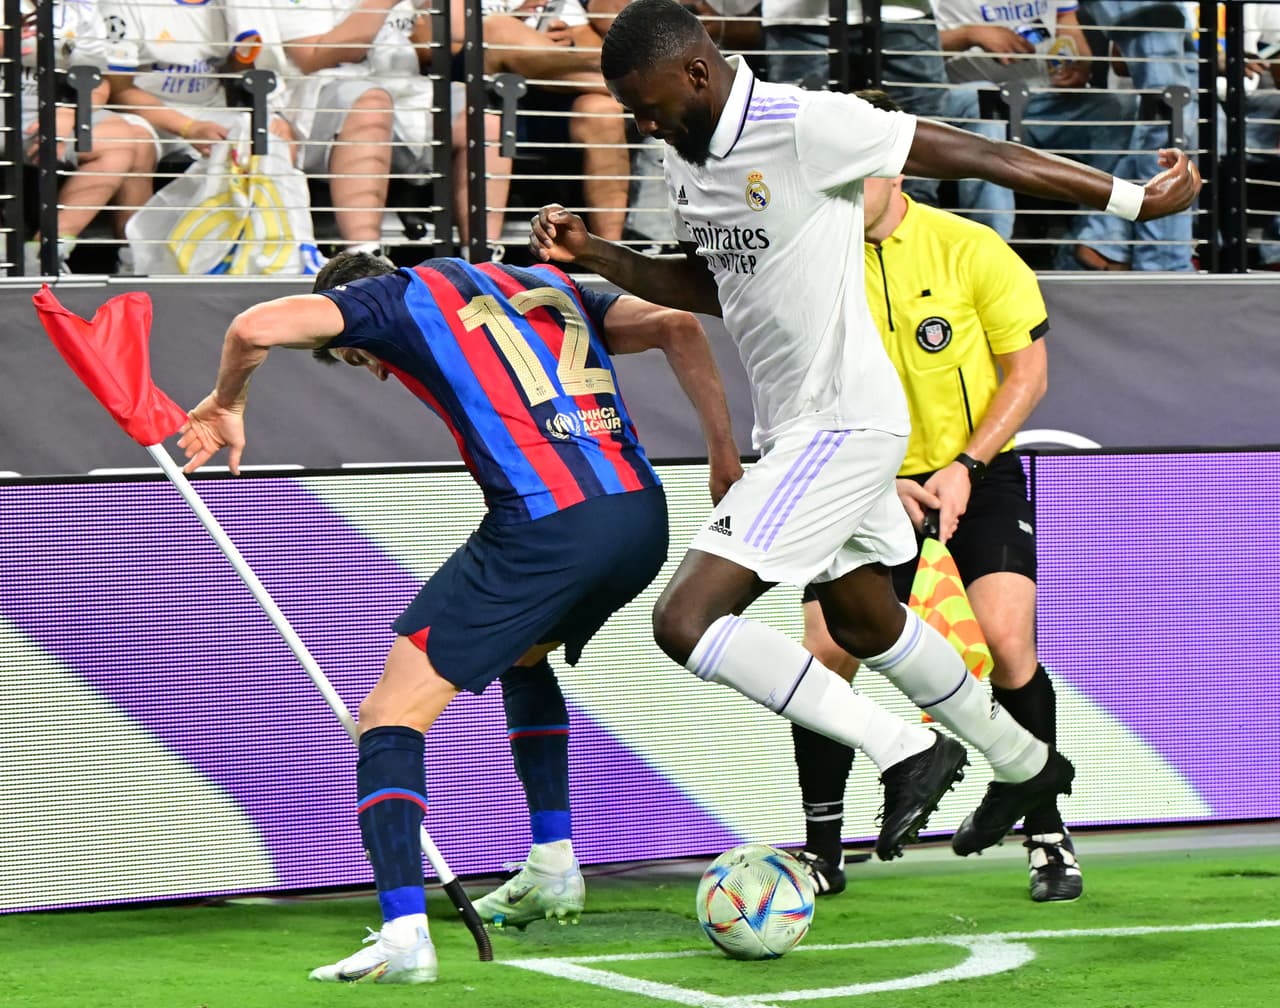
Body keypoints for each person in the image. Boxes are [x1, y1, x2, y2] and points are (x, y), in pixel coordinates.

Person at [529, 0, 1198, 869]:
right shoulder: (684, 153)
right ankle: (1026, 765)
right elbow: (716, 280)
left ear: (697, 72)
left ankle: (906, 749)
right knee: (863, 616)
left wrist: (1131, 197)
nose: (640, 120)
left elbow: (980, 153)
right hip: (800, 429)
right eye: (628, 108)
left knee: (685, 621)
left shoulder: (805, 123)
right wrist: (599, 254)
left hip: (842, 427)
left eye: (647, 103)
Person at [177, 250, 743, 983]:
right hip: (640, 516)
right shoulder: (536, 281)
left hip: (550, 525)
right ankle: (553, 862)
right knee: (524, 656)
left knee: (388, 717)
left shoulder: (390, 300)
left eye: (353, 356)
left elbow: (255, 326)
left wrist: (228, 401)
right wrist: (722, 456)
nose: (373, 368)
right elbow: (677, 327)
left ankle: (404, 933)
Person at [787, 89, 1080, 904]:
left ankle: (1046, 830)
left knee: (1006, 637)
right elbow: (802, 389)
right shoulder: (811, 263)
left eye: (851, 171)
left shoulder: (972, 248)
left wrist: (968, 466)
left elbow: (1028, 374)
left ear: (893, 165)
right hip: (862, 481)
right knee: (825, 653)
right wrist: (882, 478)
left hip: (972, 475)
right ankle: (820, 849)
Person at [931, 0, 1137, 262]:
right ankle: (993, 255)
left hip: (1042, 100)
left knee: (1116, 109)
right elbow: (909, 46)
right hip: (965, 103)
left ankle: (1090, 245)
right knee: (989, 101)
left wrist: (1079, 65)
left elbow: (1069, 28)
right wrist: (969, 34)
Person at [19, 0, 156, 274]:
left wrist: (69, 114)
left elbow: (95, 78)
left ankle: (45, 252)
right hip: (8, 108)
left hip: (50, 113)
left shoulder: (81, 7)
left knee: (121, 137)